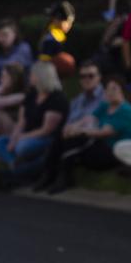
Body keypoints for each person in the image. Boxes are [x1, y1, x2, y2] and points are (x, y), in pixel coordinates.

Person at [0, 60, 68, 191]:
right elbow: (22, 121)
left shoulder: (57, 99)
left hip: (46, 138)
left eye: (32, 74)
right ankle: (14, 168)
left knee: (23, 146)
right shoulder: (32, 94)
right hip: (27, 135)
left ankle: (9, 175)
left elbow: (46, 130)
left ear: (41, 77)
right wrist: (14, 138)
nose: (29, 77)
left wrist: (22, 137)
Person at [47, 76, 131, 194]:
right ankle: (49, 174)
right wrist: (73, 126)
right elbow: (89, 118)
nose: (110, 93)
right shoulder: (105, 105)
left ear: (123, 91)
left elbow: (104, 132)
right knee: (62, 135)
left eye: (114, 89)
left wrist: (80, 131)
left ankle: (63, 177)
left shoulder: (126, 111)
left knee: (77, 140)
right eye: (108, 89)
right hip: (97, 147)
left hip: (111, 153)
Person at [33, 60, 105, 190]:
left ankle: (60, 177)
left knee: (64, 142)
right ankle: (48, 175)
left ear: (99, 78)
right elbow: (69, 121)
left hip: (94, 138)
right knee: (57, 139)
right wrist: (68, 128)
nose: (86, 79)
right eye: (83, 76)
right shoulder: (77, 100)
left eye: (91, 76)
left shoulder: (104, 98)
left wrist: (75, 129)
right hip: (72, 135)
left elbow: (95, 121)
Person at [37, 1, 76, 78]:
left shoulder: (58, 34)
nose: (70, 25)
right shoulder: (50, 39)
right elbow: (44, 63)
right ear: (56, 20)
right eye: (68, 21)